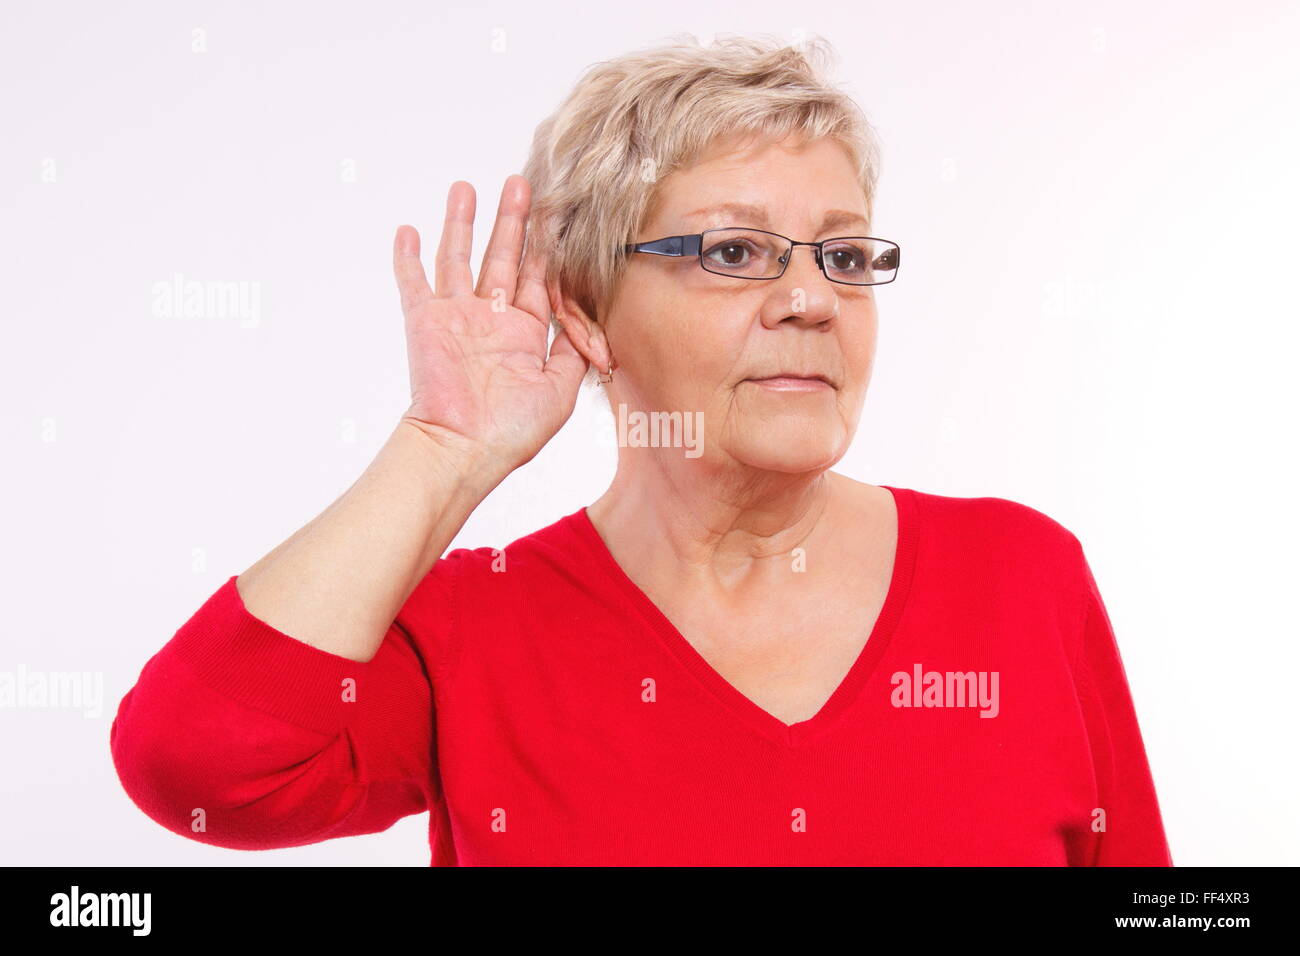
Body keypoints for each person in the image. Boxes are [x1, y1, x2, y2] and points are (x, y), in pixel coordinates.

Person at [109, 34, 1172, 866]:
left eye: (843, 253)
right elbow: (192, 759)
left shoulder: (1022, 575)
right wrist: (443, 447)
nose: (810, 299)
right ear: (584, 308)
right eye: (733, 250)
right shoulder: (474, 630)